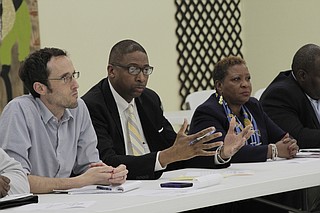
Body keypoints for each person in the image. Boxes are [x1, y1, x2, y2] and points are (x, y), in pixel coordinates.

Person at [82, 39, 253, 180]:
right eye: (133, 69)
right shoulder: (93, 105)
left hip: (157, 186)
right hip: (119, 189)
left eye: (146, 70)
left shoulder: (149, 100)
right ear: (112, 71)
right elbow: (107, 160)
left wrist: (221, 154)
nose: (141, 77)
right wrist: (164, 157)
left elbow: (176, 150)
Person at [0, 47, 128, 194]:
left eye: (74, 75)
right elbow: (17, 180)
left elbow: (88, 166)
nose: (76, 84)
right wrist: (79, 181)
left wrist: (109, 173)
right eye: (65, 78)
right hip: (31, 204)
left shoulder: (78, 108)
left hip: (67, 201)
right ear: (40, 88)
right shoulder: (19, 111)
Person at [187, 56, 299, 212]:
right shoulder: (207, 112)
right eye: (236, 79)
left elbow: (282, 137)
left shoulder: (253, 105)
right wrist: (272, 150)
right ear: (219, 86)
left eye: (248, 78)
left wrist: (290, 144)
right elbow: (225, 152)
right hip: (226, 191)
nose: (245, 84)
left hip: (258, 179)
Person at [260, 43, 320, 212]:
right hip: (292, 185)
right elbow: (298, 137)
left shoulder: (314, 88)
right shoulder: (280, 94)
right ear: (302, 75)